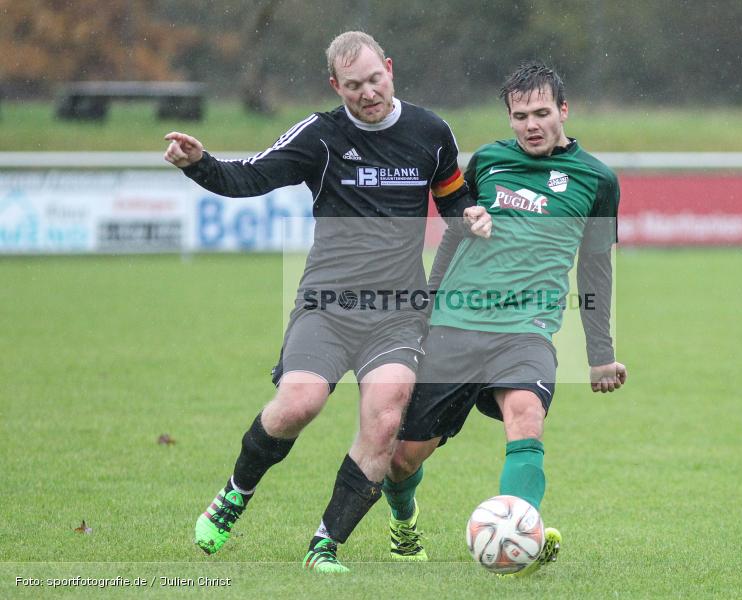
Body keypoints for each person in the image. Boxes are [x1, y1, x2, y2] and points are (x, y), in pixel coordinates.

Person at [163, 31, 491, 573]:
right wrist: (199, 163)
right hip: (328, 305)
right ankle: (234, 494)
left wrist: (472, 216)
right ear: (335, 86)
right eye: (354, 86)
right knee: (300, 403)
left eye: (375, 80)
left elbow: (454, 197)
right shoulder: (320, 135)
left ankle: (325, 544)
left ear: (390, 68)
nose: (368, 93)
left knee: (385, 422)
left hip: (397, 314)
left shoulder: (431, 132)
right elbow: (250, 177)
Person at [379, 61, 628, 576]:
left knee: (525, 417)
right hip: (457, 321)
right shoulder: (488, 161)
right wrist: (426, 300)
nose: (531, 124)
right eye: (520, 115)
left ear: (564, 110)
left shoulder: (598, 180)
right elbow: (455, 229)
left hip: (527, 329)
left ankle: (521, 534)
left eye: (542, 112)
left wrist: (600, 356)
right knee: (403, 457)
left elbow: (596, 271)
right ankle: (404, 522)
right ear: (509, 117)